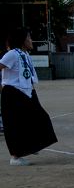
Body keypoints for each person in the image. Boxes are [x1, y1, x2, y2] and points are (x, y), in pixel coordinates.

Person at [0, 27, 58, 165]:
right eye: (29, 38)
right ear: (22, 40)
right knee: (14, 125)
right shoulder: (12, 54)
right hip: (13, 92)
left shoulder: (24, 54)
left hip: (27, 91)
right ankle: (15, 157)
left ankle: (31, 146)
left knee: (40, 118)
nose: (31, 40)